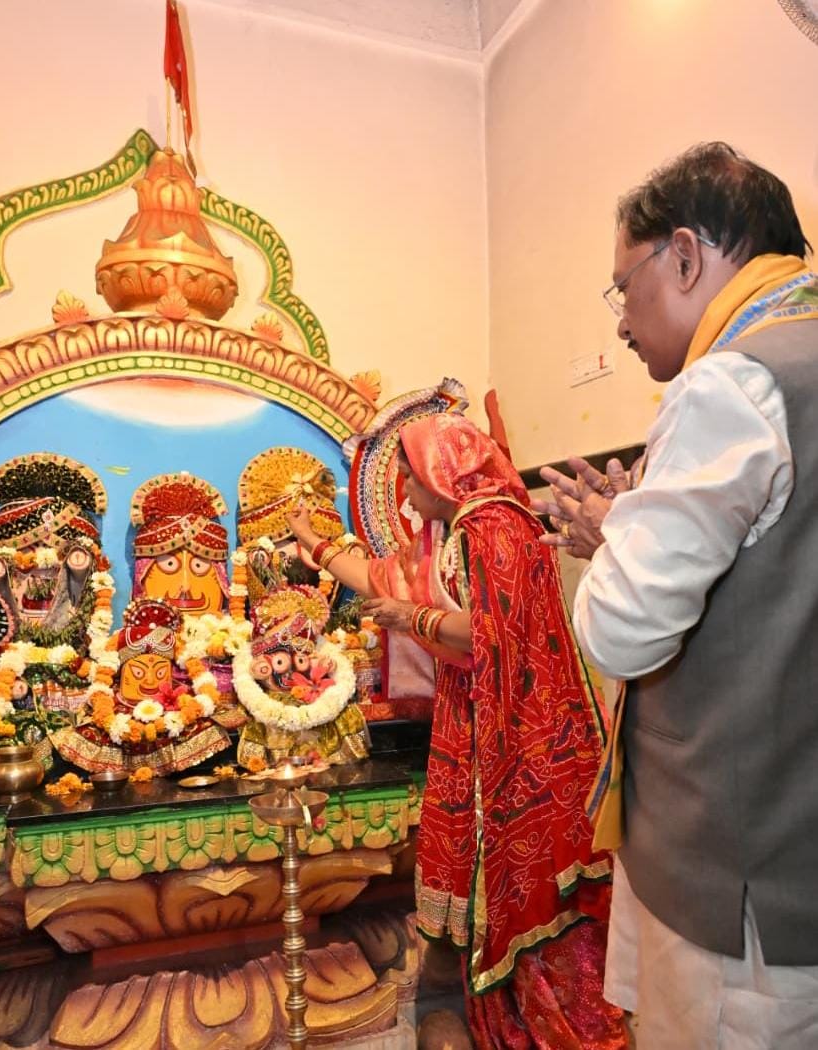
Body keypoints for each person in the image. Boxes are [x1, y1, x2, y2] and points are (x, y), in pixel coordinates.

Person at [553, 142, 818, 1049]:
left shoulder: (733, 381)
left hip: (738, 879)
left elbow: (623, 631)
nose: (623, 325)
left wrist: (613, 536)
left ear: (682, 256)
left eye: (621, 288)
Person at [287, 413, 628, 1050]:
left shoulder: (492, 527)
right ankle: (495, 1017)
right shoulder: (451, 532)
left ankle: (559, 1026)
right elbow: (383, 578)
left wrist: (409, 618)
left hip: (522, 732)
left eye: (412, 480)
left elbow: (491, 633)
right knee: (484, 878)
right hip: (477, 716)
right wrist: (316, 542)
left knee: (528, 880)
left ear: (444, 473)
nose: (406, 497)